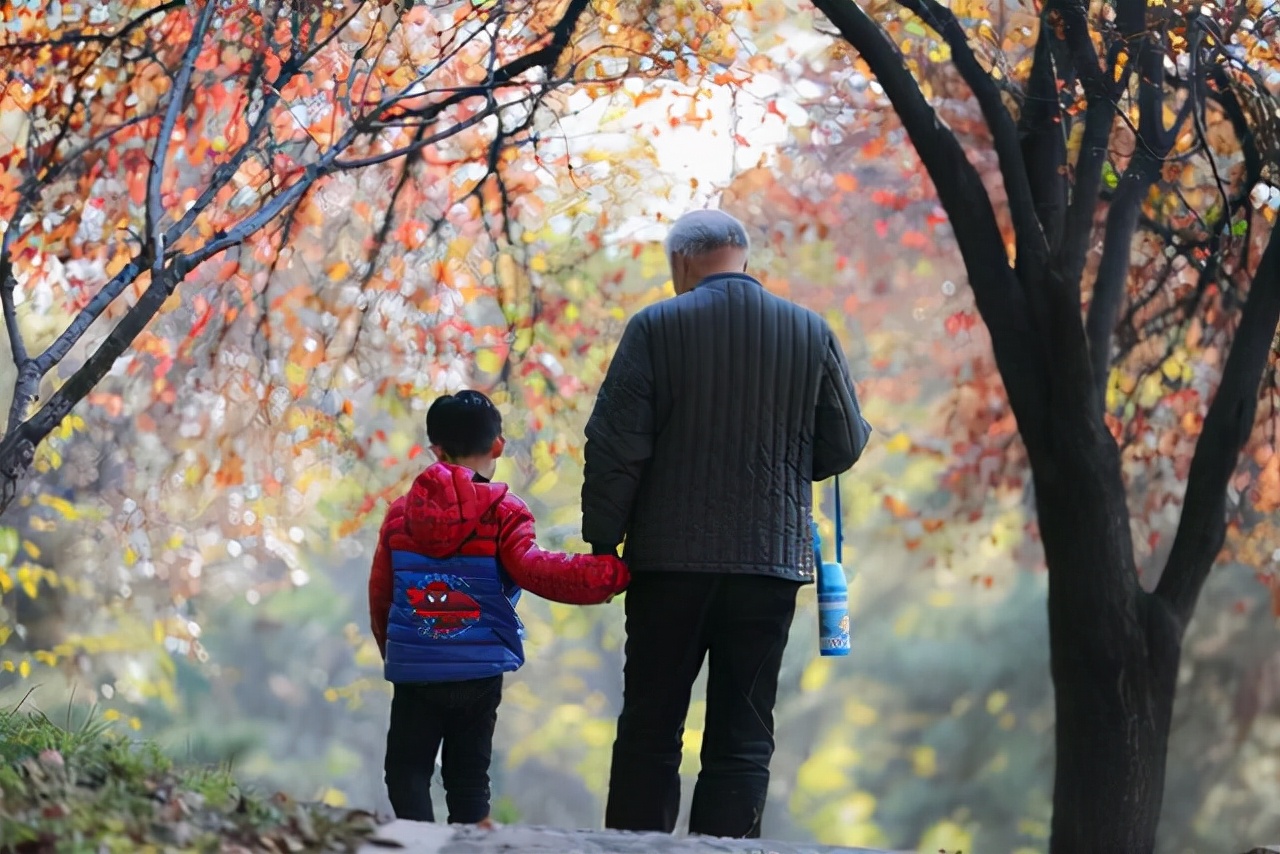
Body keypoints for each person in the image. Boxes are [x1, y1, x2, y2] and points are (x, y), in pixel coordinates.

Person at [582, 209, 872, 839]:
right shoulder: (809, 330)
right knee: (743, 735)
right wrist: (791, 460)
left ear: (681, 262)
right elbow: (845, 441)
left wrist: (605, 541)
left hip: (668, 565)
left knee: (651, 729)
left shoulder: (655, 327)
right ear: (741, 254)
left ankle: (634, 850)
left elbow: (615, 446)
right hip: (768, 566)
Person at [369, 390, 630, 826]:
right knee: (468, 777)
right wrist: (609, 573)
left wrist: (393, 649)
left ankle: (416, 842)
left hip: (416, 665)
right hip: (479, 668)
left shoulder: (401, 514)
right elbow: (535, 570)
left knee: (406, 769)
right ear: (497, 447)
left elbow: (382, 590)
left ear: (435, 449)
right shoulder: (504, 511)